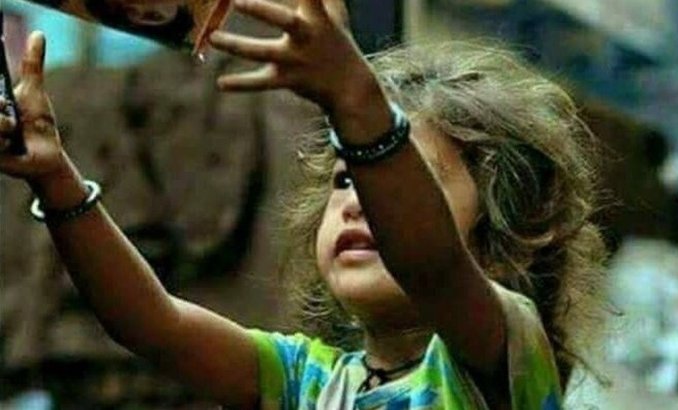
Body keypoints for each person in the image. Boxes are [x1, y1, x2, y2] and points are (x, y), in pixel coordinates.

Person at [0, 0, 609, 408]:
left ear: (503, 239)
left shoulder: (505, 357)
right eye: (343, 182)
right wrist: (56, 181)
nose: (357, 203)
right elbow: (153, 324)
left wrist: (355, 98)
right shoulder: (307, 381)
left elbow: (430, 265)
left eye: (394, 181)